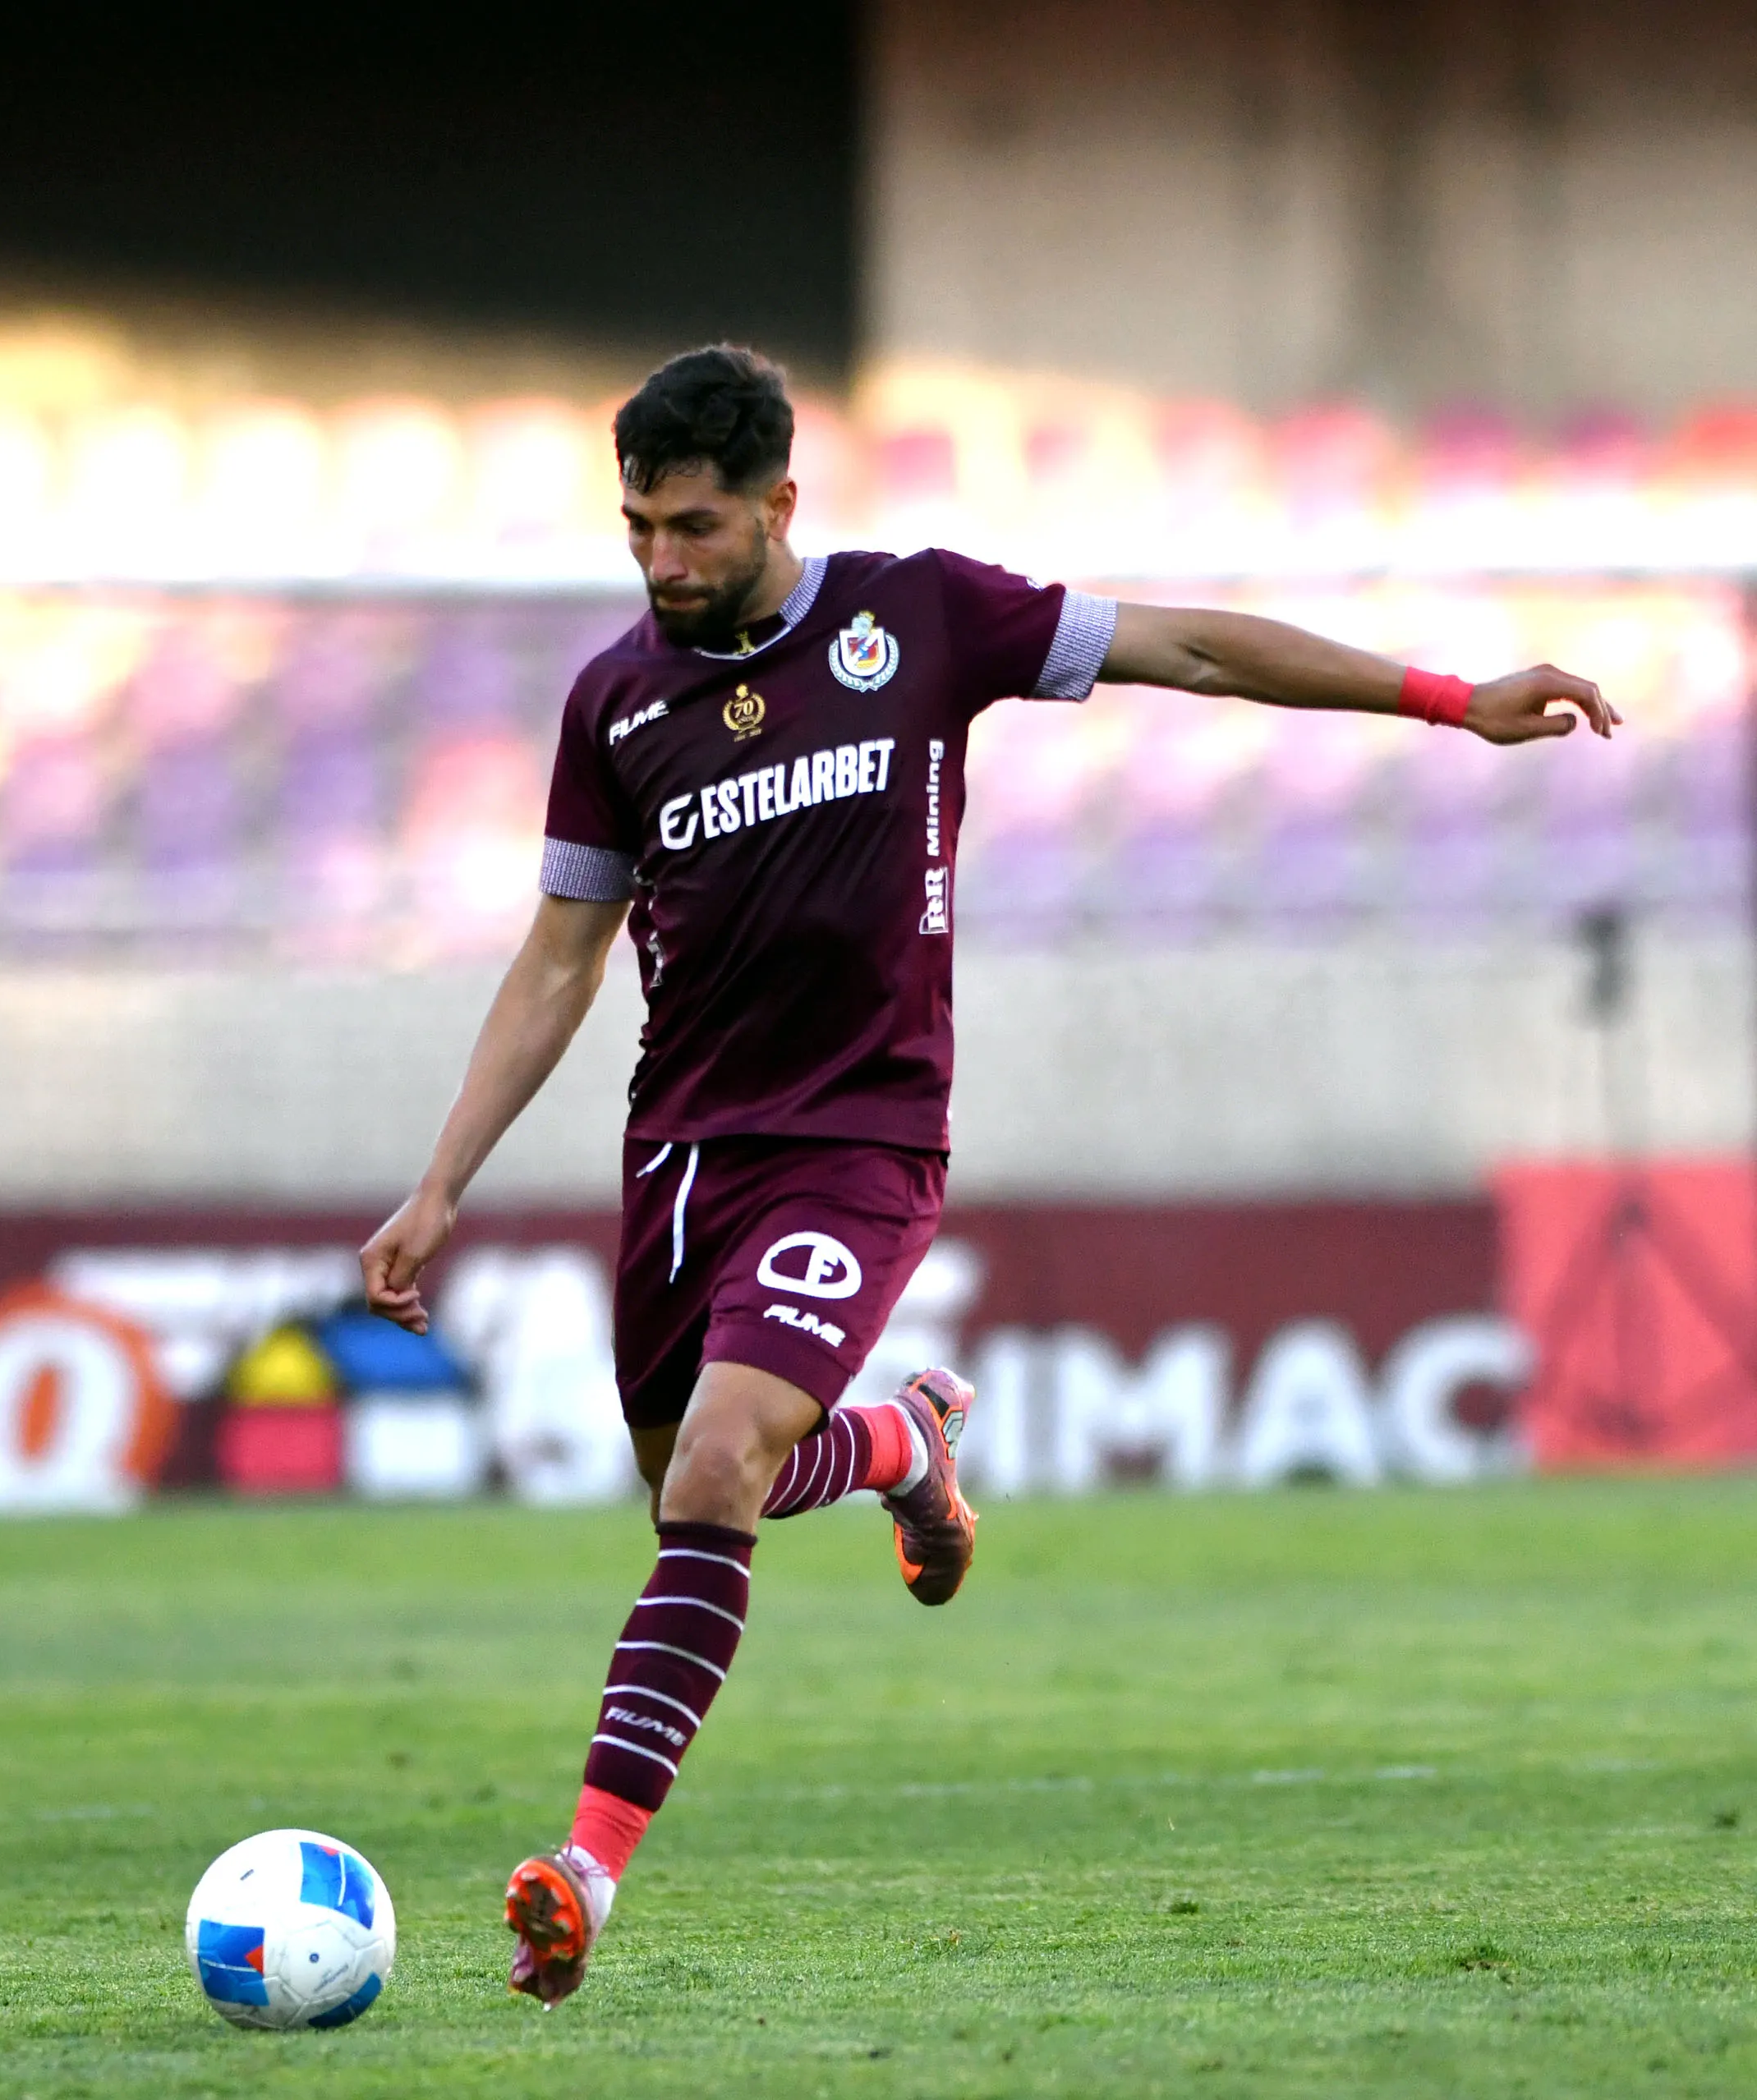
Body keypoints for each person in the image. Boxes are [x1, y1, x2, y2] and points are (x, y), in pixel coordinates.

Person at [356, 345, 1616, 2008]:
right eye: (637, 530)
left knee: (718, 1468)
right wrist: (441, 1178)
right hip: (679, 1152)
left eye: (693, 528)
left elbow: (1192, 648)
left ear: (780, 505)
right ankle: (899, 1441)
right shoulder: (614, 704)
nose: (661, 564)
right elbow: (556, 960)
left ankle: (585, 1870)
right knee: (678, 1479)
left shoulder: (920, 620)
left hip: (860, 1139)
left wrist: (1446, 700)